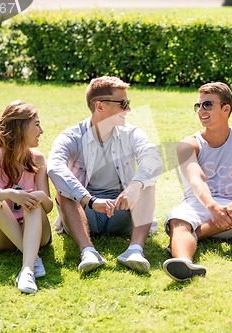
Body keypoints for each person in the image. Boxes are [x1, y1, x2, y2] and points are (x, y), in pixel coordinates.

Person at [47, 76, 163, 275]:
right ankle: (88, 251)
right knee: (64, 190)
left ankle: (135, 250)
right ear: (100, 106)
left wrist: (135, 186)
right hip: (85, 212)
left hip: (122, 210)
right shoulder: (73, 135)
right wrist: (90, 200)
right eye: (123, 104)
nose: (128, 109)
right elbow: (55, 167)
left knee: (146, 183)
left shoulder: (131, 133)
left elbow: (153, 159)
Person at [163, 82, 232, 282]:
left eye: (207, 105)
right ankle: (184, 263)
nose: (201, 110)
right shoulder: (188, 145)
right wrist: (212, 206)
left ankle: (197, 234)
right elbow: (196, 179)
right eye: (199, 105)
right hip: (200, 205)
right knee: (178, 221)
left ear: (225, 109)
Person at [0, 101, 53, 294]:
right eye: (36, 125)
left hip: (37, 233)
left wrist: (38, 196)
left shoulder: (38, 159)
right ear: (20, 129)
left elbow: (47, 207)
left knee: (34, 200)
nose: (42, 130)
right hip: (0, 236)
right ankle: (31, 256)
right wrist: (8, 194)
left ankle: (28, 270)